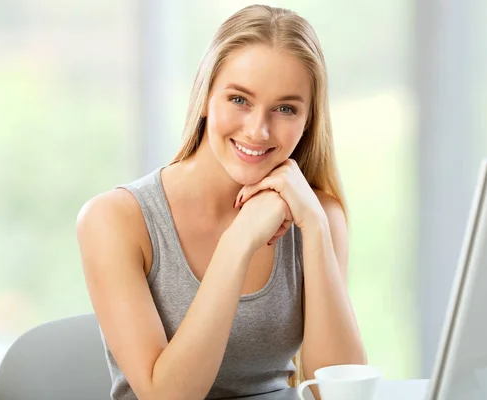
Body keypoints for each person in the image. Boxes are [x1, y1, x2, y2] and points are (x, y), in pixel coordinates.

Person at [76, 4, 366, 400]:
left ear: (309, 119)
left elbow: (338, 392)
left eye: (285, 108)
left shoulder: (316, 216)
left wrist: (315, 227)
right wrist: (239, 240)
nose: (258, 130)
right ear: (206, 95)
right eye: (239, 100)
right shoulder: (115, 219)